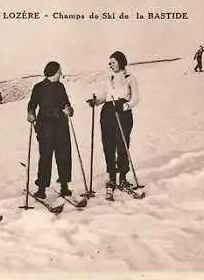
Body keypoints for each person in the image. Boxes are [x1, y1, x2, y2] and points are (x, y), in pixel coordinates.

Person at [86, 51, 140, 201]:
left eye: (113, 62)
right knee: (108, 145)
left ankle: (123, 177)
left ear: (121, 62)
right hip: (108, 112)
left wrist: (126, 106)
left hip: (122, 111)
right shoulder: (109, 78)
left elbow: (136, 98)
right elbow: (105, 96)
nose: (110, 65)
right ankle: (112, 177)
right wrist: (96, 101)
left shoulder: (130, 78)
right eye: (109, 63)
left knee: (122, 144)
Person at [27, 61, 74, 199]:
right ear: (53, 72)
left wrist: (69, 110)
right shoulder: (39, 87)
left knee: (64, 155)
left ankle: (64, 186)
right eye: (59, 71)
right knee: (46, 157)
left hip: (61, 125)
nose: (61, 74)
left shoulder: (60, 87)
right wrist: (30, 113)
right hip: (45, 126)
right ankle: (41, 189)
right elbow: (32, 104)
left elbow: (67, 104)